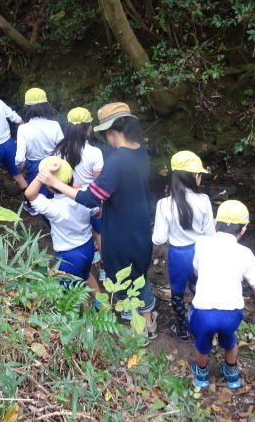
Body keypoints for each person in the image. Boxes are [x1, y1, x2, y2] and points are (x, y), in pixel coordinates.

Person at [36, 103, 158, 342]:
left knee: (127, 276)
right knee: (139, 272)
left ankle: (141, 327)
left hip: (122, 231)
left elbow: (92, 197)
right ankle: (148, 319)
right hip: (140, 226)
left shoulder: (118, 160)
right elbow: (113, 188)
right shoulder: (140, 152)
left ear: (112, 130)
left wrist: (58, 184)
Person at [190, 200, 255, 389]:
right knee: (230, 340)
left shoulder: (202, 243)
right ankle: (231, 372)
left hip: (204, 312)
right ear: (243, 230)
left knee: (202, 343)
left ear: (216, 222)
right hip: (232, 314)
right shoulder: (245, 253)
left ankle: (202, 374)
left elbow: (196, 272)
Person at [152, 150, 215, 342]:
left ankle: (182, 329)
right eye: (199, 175)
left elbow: (158, 239)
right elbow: (211, 234)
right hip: (201, 252)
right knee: (200, 288)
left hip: (178, 256)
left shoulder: (164, 204)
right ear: (194, 176)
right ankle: (205, 323)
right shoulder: (203, 200)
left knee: (178, 294)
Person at [25, 156, 101, 294]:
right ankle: (102, 305)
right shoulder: (85, 196)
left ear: (48, 186)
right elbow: (97, 212)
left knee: (72, 294)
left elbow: (29, 194)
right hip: (88, 247)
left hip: (69, 255)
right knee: (86, 274)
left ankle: (83, 314)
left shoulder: (53, 208)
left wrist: (41, 175)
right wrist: (79, 188)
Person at [54, 107, 104, 274]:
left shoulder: (59, 150)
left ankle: (86, 265)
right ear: (88, 128)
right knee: (99, 232)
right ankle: (104, 267)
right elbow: (99, 181)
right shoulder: (94, 152)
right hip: (91, 198)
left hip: (68, 197)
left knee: (80, 231)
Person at [15, 88, 64, 195]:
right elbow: (62, 149)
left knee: (36, 193)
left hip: (34, 165)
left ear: (26, 107)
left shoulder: (23, 128)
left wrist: (20, 166)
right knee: (54, 190)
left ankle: (33, 209)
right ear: (46, 105)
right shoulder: (55, 125)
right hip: (53, 163)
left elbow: (20, 158)